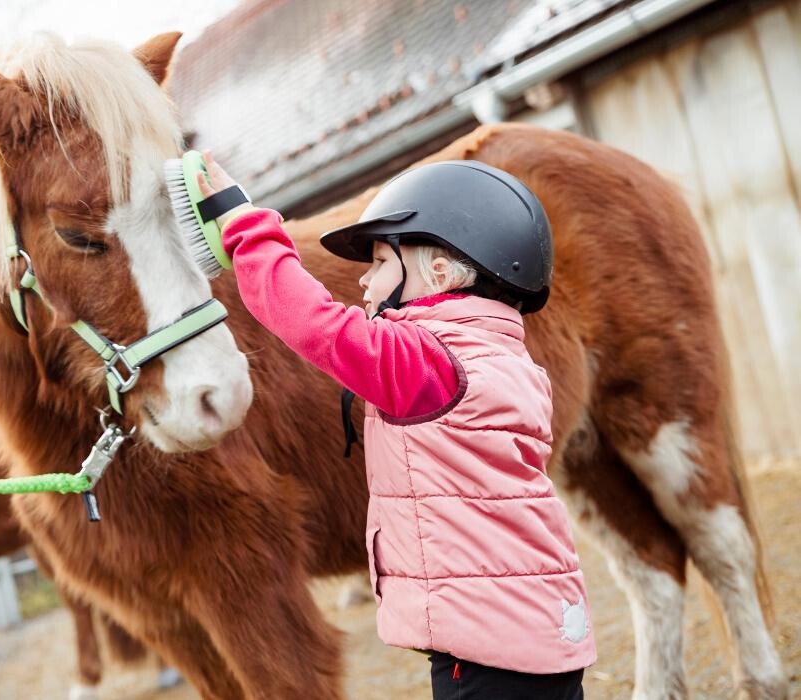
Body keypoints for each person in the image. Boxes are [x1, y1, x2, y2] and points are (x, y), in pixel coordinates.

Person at [196, 151, 596, 699]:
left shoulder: (429, 365)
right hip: (540, 635)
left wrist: (242, 223)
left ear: (435, 274)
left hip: (487, 653)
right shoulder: (505, 360)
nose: (363, 282)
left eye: (380, 263)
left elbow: (312, 323)